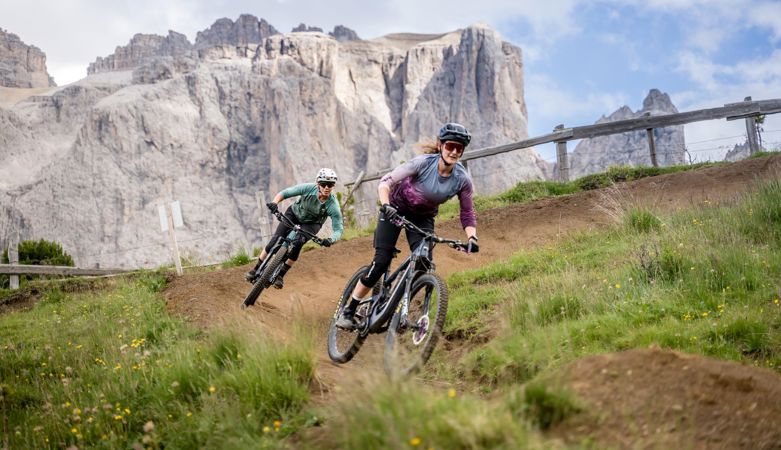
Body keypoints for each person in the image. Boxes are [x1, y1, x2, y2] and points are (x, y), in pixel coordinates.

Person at [335, 122, 479, 330]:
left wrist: (472, 238)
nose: (454, 151)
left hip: (423, 218)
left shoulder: (462, 180)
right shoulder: (422, 163)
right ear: (440, 145)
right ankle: (349, 310)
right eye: (450, 146)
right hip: (394, 208)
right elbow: (386, 182)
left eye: (459, 148)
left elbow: (467, 212)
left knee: (423, 262)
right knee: (381, 262)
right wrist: (386, 206)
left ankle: (398, 310)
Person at [245, 168, 344, 289]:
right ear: (318, 184)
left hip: (312, 224)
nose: (327, 187)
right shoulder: (308, 188)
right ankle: (255, 269)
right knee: (274, 241)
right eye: (324, 184)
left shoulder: (333, 205)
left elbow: (338, 229)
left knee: (298, 243)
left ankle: (281, 275)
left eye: (330, 185)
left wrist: (330, 239)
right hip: (294, 213)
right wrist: (274, 203)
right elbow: (286, 193)